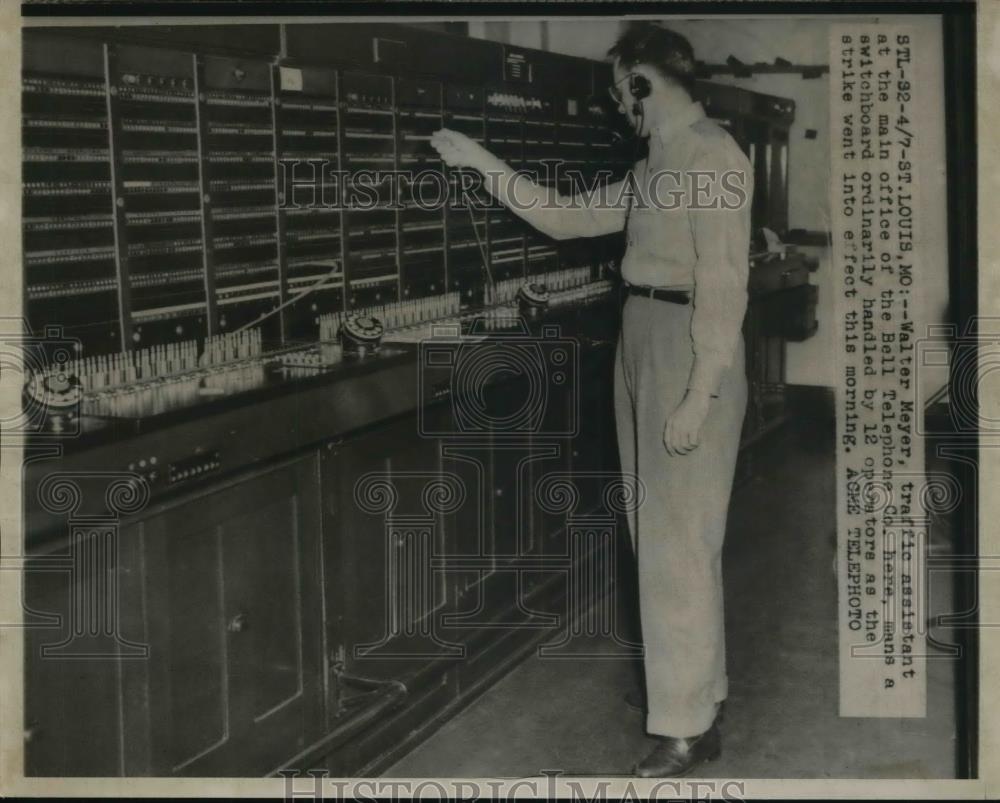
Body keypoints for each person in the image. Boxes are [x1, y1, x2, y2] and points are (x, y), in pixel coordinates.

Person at [431, 22, 752, 778]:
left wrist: (698, 394)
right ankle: (698, 700)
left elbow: (725, 288)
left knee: (679, 541)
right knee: (662, 537)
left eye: (620, 92)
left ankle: (683, 728)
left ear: (644, 83)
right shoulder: (657, 166)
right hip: (642, 332)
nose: (618, 109)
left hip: (685, 343)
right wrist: (480, 161)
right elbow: (563, 215)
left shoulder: (714, 156)